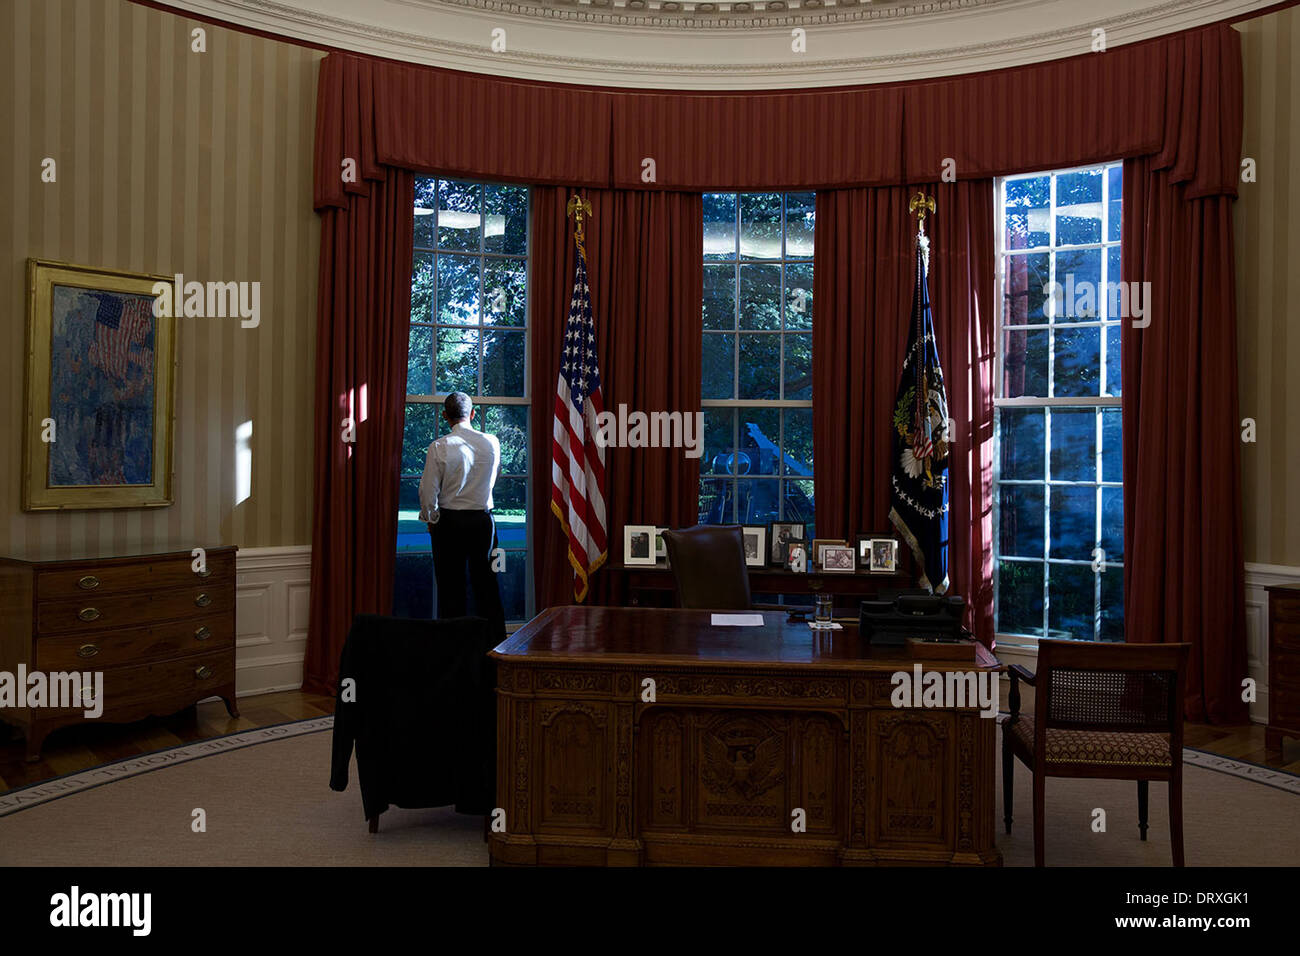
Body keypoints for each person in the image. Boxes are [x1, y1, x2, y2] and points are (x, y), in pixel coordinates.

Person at [417, 392, 506, 641]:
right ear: (473, 414)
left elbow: (427, 490)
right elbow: (494, 478)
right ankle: (495, 647)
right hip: (483, 522)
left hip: (450, 523)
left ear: (445, 416)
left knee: (451, 588)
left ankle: (454, 647)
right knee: (487, 586)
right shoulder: (492, 442)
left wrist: (431, 519)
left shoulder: (439, 446)